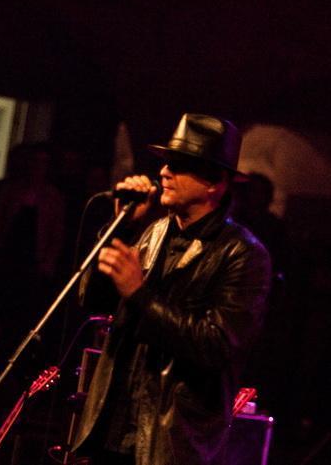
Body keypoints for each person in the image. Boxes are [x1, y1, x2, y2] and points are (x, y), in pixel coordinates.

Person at [73, 113, 271, 465]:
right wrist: (121, 228)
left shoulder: (243, 254)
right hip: (112, 429)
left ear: (215, 183)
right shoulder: (153, 231)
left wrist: (140, 295)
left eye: (179, 166)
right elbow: (92, 299)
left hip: (171, 441)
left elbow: (216, 344)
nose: (164, 172)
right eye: (166, 162)